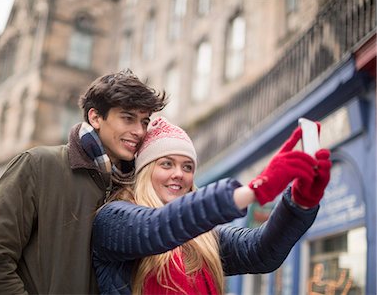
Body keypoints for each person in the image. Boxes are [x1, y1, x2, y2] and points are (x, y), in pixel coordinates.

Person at [0, 69, 167, 295]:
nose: (139, 131)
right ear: (95, 117)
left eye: (144, 121)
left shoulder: (139, 188)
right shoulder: (37, 166)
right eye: (128, 118)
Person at [92, 117, 332, 295]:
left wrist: (301, 201)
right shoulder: (113, 218)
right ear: (145, 170)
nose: (179, 174)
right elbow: (158, 226)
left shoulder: (204, 238)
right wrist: (254, 189)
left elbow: (261, 252)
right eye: (166, 164)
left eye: (187, 167)